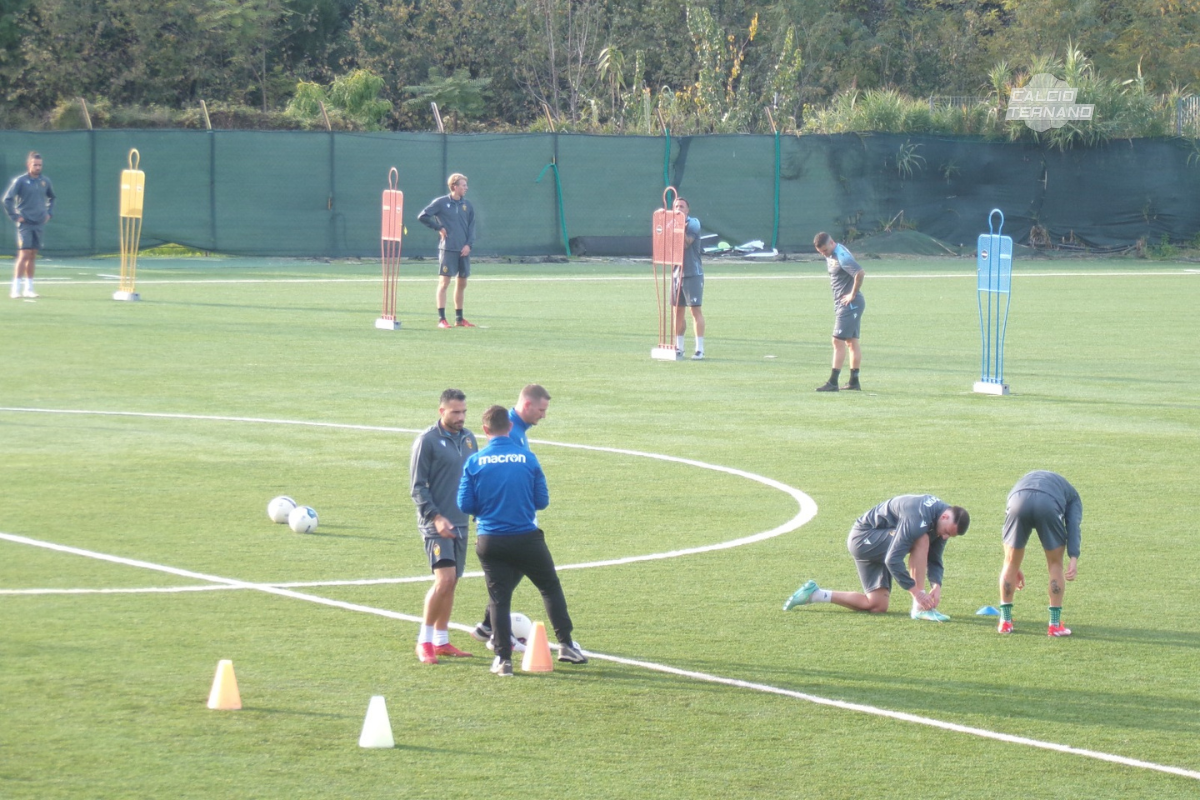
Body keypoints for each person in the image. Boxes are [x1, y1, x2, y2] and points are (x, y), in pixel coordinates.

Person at [458, 404, 586, 677]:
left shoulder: (474, 462)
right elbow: (542, 501)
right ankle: (566, 645)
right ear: (509, 428)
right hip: (526, 537)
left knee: (499, 598)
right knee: (549, 587)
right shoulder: (528, 458)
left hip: (491, 540)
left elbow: (464, 504)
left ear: (485, 430)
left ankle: (503, 660)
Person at [783, 494, 970, 619]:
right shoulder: (918, 517)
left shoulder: (943, 520)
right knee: (920, 539)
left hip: (881, 542)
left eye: (949, 536)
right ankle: (919, 609)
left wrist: (936, 585)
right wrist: (917, 592)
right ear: (945, 517)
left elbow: (935, 558)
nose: (945, 537)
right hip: (864, 538)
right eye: (946, 532)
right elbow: (893, 559)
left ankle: (814, 594)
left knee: (876, 605)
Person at [471, 384, 553, 647]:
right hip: (510, 522)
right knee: (517, 576)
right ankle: (495, 634)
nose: (544, 415)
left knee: (512, 573)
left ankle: (487, 626)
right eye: (541, 409)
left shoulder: (516, 428)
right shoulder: (511, 431)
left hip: (506, 521)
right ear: (527, 405)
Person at [409, 388, 479, 664]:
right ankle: (423, 641)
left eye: (463, 411)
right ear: (442, 411)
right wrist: (436, 517)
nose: (461, 417)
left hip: (461, 523)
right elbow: (417, 488)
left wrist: (480, 517)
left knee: (452, 584)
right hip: (435, 524)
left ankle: (441, 641)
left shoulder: (470, 439)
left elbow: (475, 480)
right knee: (445, 580)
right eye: (455, 412)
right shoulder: (427, 441)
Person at [998, 470, 1082, 636]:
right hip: (1048, 504)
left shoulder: (1023, 481)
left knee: (1009, 563)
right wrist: (1073, 557)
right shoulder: (1073, 497)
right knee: (1055, 565)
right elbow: (1073, 525)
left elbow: (1007, 526)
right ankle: (1054, 625)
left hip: (1017, 500)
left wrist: (1014, 564)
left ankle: (1005, 622)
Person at [417, 173, 476, 328]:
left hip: (463, 250)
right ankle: (441, 319)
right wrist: (439, 228)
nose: (466, 188)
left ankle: (459, 319)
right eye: (463, 185)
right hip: (448, 249)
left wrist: (468, 245)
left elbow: (472, 227)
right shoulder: (441, 203)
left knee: (462, 283)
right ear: (454, 186)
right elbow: (422, 216)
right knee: (444, 283)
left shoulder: (467, 205)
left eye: (466, 185)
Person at [813, 232, 864, 391]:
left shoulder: (841, 255)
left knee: (837, 341)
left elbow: (859, 273)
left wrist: (852, 294)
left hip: (849, 304)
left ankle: (833, 382)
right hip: (846, 304)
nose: (824, 254)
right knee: (851, 342)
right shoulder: (833, 253)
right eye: (821, 252)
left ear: (831, 243)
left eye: (825, 251)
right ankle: (854, 382)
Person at [3, 151, 55, 299]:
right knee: (24, 254)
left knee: (33, 255)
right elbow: (7, 199)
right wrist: (15, 216)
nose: (38, 167)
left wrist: (49, 213)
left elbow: (52, 198)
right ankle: (15, 289)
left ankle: (29, 288)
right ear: (28, 165)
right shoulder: (20, 181)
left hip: (39, 223)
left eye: (40, 165)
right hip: (25, 223)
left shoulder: (45, 181)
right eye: (35, 165)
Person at [671, 197, 705, 360]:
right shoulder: (671, 223)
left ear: (687, 210)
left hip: (693, 273)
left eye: (682, 206)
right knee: (677, 311)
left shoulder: (693, 223)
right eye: (676, 206)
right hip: (677, 273)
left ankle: (699, 349)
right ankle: (679, 347)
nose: (679, 209)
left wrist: (680, 227)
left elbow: (686, 243)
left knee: (695, 310)